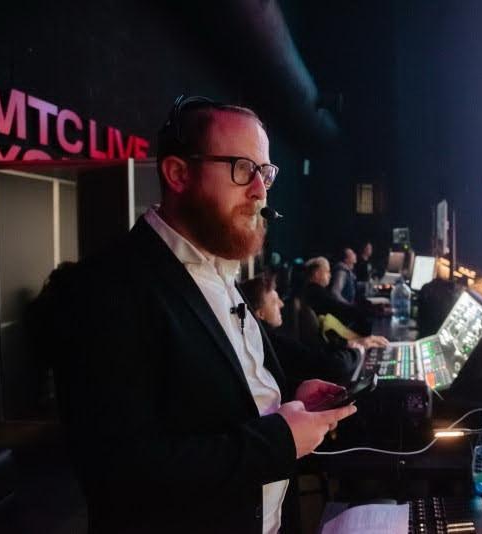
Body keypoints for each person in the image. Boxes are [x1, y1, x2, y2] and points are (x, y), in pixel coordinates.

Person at [53, 96, 356, 534]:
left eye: (265, 172)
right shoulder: (105, 288)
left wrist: (290, 397)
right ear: (178, 174)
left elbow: (215, 392)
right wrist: (280, 440)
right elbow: (120, 472)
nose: (260, 190)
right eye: (242, 169)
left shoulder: (219, 270)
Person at [241, 275, 387, 385]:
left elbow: (312, 353)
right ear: (260, 313)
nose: (281, 304)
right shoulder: (271, 342)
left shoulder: (267, 336)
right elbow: (335, 366)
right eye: (274, 302)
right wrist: (358, 351)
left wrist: (349, 344)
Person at [301, 256, 373, 335]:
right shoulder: (316, 293)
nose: (330, 275)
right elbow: (337, 308)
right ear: (317, 274)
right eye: (327, 272)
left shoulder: (310, 291)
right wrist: (362, 311)